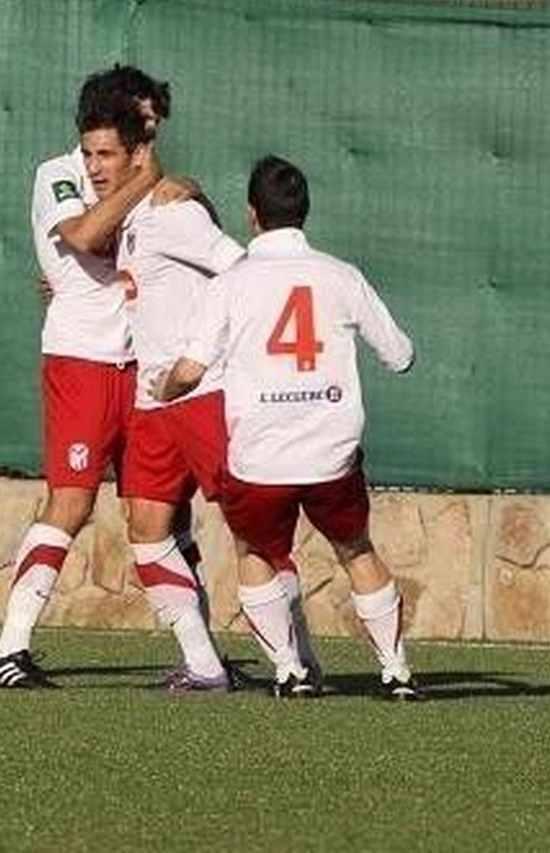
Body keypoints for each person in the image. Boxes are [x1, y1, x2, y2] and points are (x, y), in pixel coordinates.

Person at [155, 155, 422, 700]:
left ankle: (288, 671)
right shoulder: (341, 276)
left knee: (253, 551)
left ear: (252, 214)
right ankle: (396, 672)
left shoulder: (232, 283)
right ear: (304, 211)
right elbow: (401, 356)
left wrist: (164, 389)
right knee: (357, 550)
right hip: (331, 455)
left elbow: (190, 371)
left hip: (260, 458)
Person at [109, 70, 320, 692]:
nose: (96, 169)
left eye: (107, 155)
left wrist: (213, 351)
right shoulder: (126, 217)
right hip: (154, 402)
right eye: (90, 155)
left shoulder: (171, 213)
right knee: (146, 533)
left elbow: (241, 266)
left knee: (252, 532)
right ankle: (203, 665)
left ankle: (300, 659)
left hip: (203, 395)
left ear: (139, 153)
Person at [0, 83, 162, 689]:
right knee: (72, 501)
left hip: (142, 362)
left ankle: (204, 659)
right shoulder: (60, 173)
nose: (152, 132)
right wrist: (145, 180)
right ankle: (6, 650)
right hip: (82, 360)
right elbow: (82, 236)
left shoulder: (149, 178)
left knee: (162, 509)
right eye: (144, 119)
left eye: (154, 124)